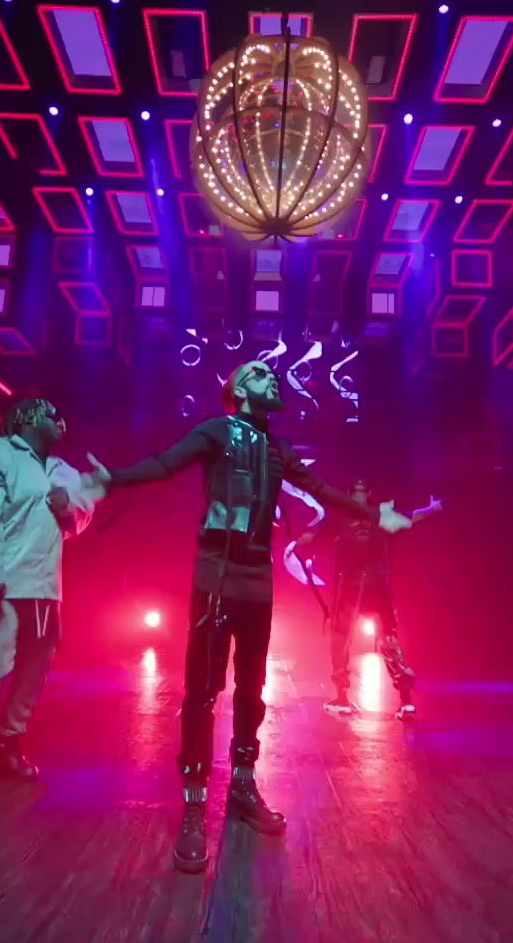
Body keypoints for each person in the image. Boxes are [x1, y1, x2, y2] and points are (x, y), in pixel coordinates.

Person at [86, 361, 413, 873]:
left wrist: (375, 515)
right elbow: (166, 463)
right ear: (238, 388)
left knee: (251, 690)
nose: (273, 377)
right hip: (216, 577)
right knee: (202, 691)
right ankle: (195, 806)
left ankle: (242, 787)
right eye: (260, 373)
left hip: (258, 581)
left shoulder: (278, 448)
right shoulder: (216, 431)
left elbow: (323, 491)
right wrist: (114, 479)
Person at [0, 398, 101, 824]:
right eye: (51, 413)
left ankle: (7, 745)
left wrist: (69, 508)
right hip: (0, 585)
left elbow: (82, 517)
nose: (61, 419)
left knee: (34, 670)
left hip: (44, 589)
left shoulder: (63, 470)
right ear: (27, 418)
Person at [299, 480, 440, 720]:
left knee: (345, 638)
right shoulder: (376, 516)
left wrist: (295, 539)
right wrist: (432, 509)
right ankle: (404, 701)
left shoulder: (349, 517)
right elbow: (411, 517)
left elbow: (309, 535)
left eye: (359, 493)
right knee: (384, 638)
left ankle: (346, 699)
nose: (359, 496)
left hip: (356, 588)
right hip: (372, 587)